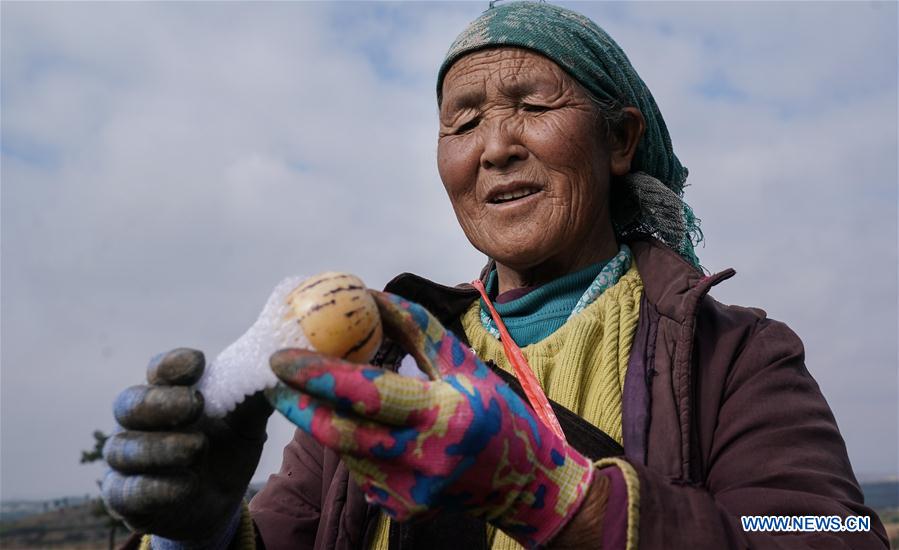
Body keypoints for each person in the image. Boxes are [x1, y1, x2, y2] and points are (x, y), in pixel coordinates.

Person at [102, 2, 889, 549]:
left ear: (618, 141)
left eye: (531, 104)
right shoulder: (381, 366)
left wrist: (560, 501)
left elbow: (834, 534)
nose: (494, 146)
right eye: (463, 120)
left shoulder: (733, 354)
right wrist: (196, 534)